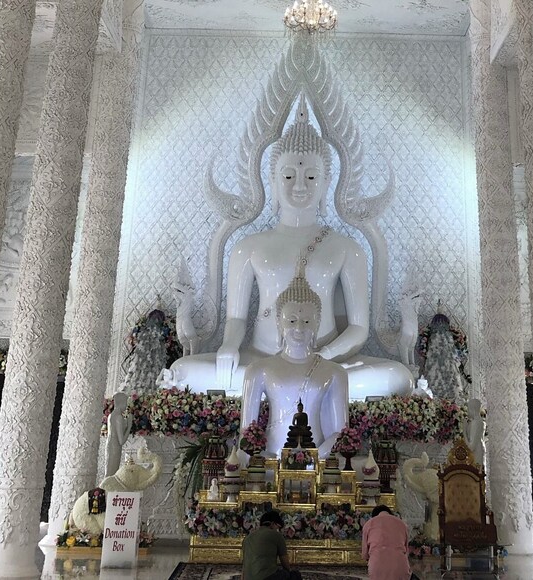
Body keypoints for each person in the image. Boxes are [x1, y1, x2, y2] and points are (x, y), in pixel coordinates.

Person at [170, 99, 413, 398]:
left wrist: (325, 356)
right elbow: (236, 319)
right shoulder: (248, 248)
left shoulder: (347, 249)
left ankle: (287, 387)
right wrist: (229, 346)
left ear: (326, 183)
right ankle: (291, 387)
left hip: (326, 364)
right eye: (288, 176)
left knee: (399, 377)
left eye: (311, 177)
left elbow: (358, 328)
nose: (300, 186)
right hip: (260, 360)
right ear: (272, 180)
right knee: (182, 371)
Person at [241, 270, 348, 458]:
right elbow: (246, 434)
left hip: (317, 461)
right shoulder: (258, 370)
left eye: (307, 321)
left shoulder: (334, 372)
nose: (299, 328)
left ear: (317, 324)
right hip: (269, 461)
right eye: (291, 320)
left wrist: (311, 459)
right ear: (278, 323)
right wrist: (264, 459)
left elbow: (341, 434)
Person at [242, 510, 301, 580]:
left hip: (248, 577)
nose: (277, 530)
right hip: (266, 577)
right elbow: (284, 561)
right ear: (272, 524)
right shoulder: (276, 535)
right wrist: (288, 573)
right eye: (278, 527)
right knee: (295, 575)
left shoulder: (248, 538)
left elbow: (244, 564)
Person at [361, 505, 412, 580]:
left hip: (377, 565)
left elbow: (365, 554)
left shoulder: (369, 524)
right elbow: (406, 549)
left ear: (374, 515)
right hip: (399, 565)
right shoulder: (401, 524)